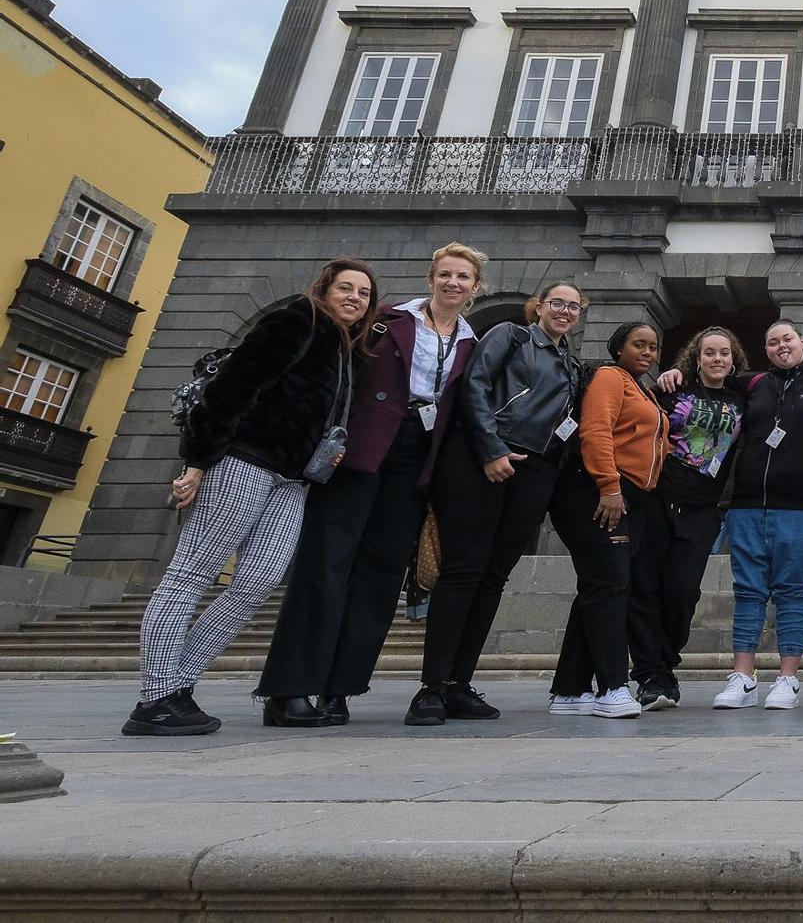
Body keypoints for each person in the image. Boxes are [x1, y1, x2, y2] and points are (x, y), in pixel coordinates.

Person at [125, 258, 377, 737]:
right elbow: (232, 388)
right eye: (346, 288)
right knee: (189, 575)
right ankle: (154, 698)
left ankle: (177, 686)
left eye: (364, 293)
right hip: (244, 461)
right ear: (323, 289)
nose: (355, 298)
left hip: (292, 480)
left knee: (256, 583)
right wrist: (197, 461)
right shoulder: (296, 321)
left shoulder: (343, 346)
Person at [257, 244, 480, 727]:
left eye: (463, 276)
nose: (453, 283)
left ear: (474, 288)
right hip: (360, 446)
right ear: (431, 278)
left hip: (418, 458)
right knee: (324, 563)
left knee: (380, 576)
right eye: (445, 274)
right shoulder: (385, 319)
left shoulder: (470, 341)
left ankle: (340, 689)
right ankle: (289, 689)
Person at [407, 281, 584, 726]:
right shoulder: (510, 334)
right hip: (483, 458)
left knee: (494, 577)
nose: (564, 311)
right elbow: (476, 386)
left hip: (536, 469)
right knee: (463, 570)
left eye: (574, 307)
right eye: (557, 303)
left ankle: (459, 684)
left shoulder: (571, 363)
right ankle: (431, 687)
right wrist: (489, 449)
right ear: (539, 306)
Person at [707, 320, 803, 711]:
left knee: (792, 594)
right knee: (748, 593)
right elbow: (707, 378)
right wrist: (676, 372)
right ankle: (743, 677)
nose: (780, 346)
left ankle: (788, 678)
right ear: (766, 350)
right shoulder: (752, 384)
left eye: (787, 338)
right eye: (772, 342)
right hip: (746, 507)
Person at [548, 322, 666, 720]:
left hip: (626, 495)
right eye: (639, 345)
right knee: (611, 586)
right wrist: (609, 486)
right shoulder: (609, 377)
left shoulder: (642, 387)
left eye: (653, 347)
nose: (647, 352)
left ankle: (568, 690)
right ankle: (613, 686)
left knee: (598, 587)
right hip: (598, 491)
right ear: (619, 348)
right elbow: (596, 432)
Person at [630, 326, 747, 710]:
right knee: (646, 587)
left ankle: (666, 661)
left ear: (734, 361)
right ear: (696, 359)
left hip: (703, 509)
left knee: (682, 592)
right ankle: (651, 674)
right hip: (659, 500)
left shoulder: (741, 398)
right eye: (709, 352)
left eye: (724, 353)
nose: (717, 359)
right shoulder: (671, 391)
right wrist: (665, 376)